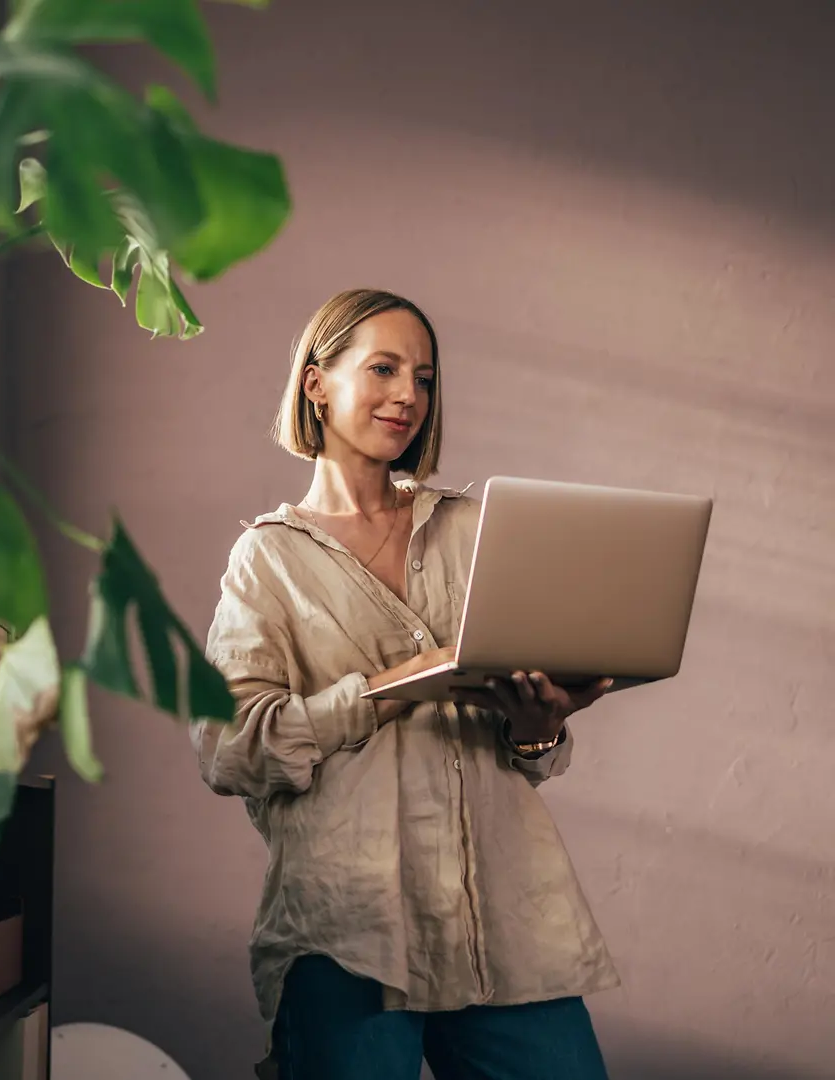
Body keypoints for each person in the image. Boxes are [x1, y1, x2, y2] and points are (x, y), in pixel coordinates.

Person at [193, 289, 620, 1080]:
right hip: (348, 930)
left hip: (503, 919)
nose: (407, 397)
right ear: (316, 384)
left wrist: (539, 725)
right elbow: (229, 747)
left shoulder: (471, 530)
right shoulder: (269, 559)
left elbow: (524, 754)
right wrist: (390, 688)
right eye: (383, 368)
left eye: (423, 378)